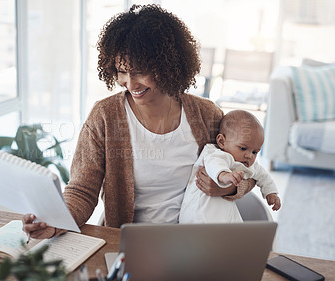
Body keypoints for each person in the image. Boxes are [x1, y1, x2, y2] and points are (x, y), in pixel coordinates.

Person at [22, 4, 255, 239]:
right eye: (122, 71)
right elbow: (82, 190)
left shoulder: (207, 115)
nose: (131, 84)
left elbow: (248, 167)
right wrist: (55, 221)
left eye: (140, 71)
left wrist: (230, 187)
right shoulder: (104, 116)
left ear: (167, 65)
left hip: (191, 242)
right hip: (126, 241)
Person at [179, 110, 281, 223]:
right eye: (243, 148)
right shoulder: (216, 153)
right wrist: (224, 175)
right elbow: (213, 164)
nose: (249, 156)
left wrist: (271, 193)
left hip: (224, 212)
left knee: (236, 229)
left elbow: (263, 176)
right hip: (198, 212)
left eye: (255, 152)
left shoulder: (249, 164)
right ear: (222, 141)